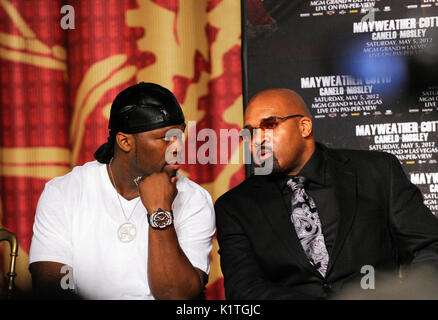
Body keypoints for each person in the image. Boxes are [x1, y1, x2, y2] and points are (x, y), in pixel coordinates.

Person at [215, 88, 438, 299]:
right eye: (250, 132)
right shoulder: (234, 206)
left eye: (270, 125)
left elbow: (428, 247)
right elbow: (244, 288)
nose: (258, 139)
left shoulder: (377, 172)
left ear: (304, 127)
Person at [29, 82, 216, 300]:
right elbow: (52, 288)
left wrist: (159, 211)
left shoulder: (195, 199)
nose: (178, 147)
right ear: (125, 142)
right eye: (166, 138)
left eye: (179, 134)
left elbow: (176, 296)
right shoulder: (63, 192)